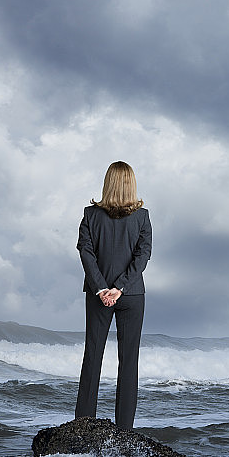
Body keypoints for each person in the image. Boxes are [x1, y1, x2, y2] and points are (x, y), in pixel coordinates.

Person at [75, 161, 152, 429]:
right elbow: (143, 256)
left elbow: (86, 252)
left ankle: (84, 425)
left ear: (107, 182)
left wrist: (102, 288)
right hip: (131, 296)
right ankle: (125, 431)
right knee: (128, 363)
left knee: (92, 358)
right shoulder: (142, 216)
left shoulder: (90, 215)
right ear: (131, 183)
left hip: (99, 295)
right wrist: (120, 288)